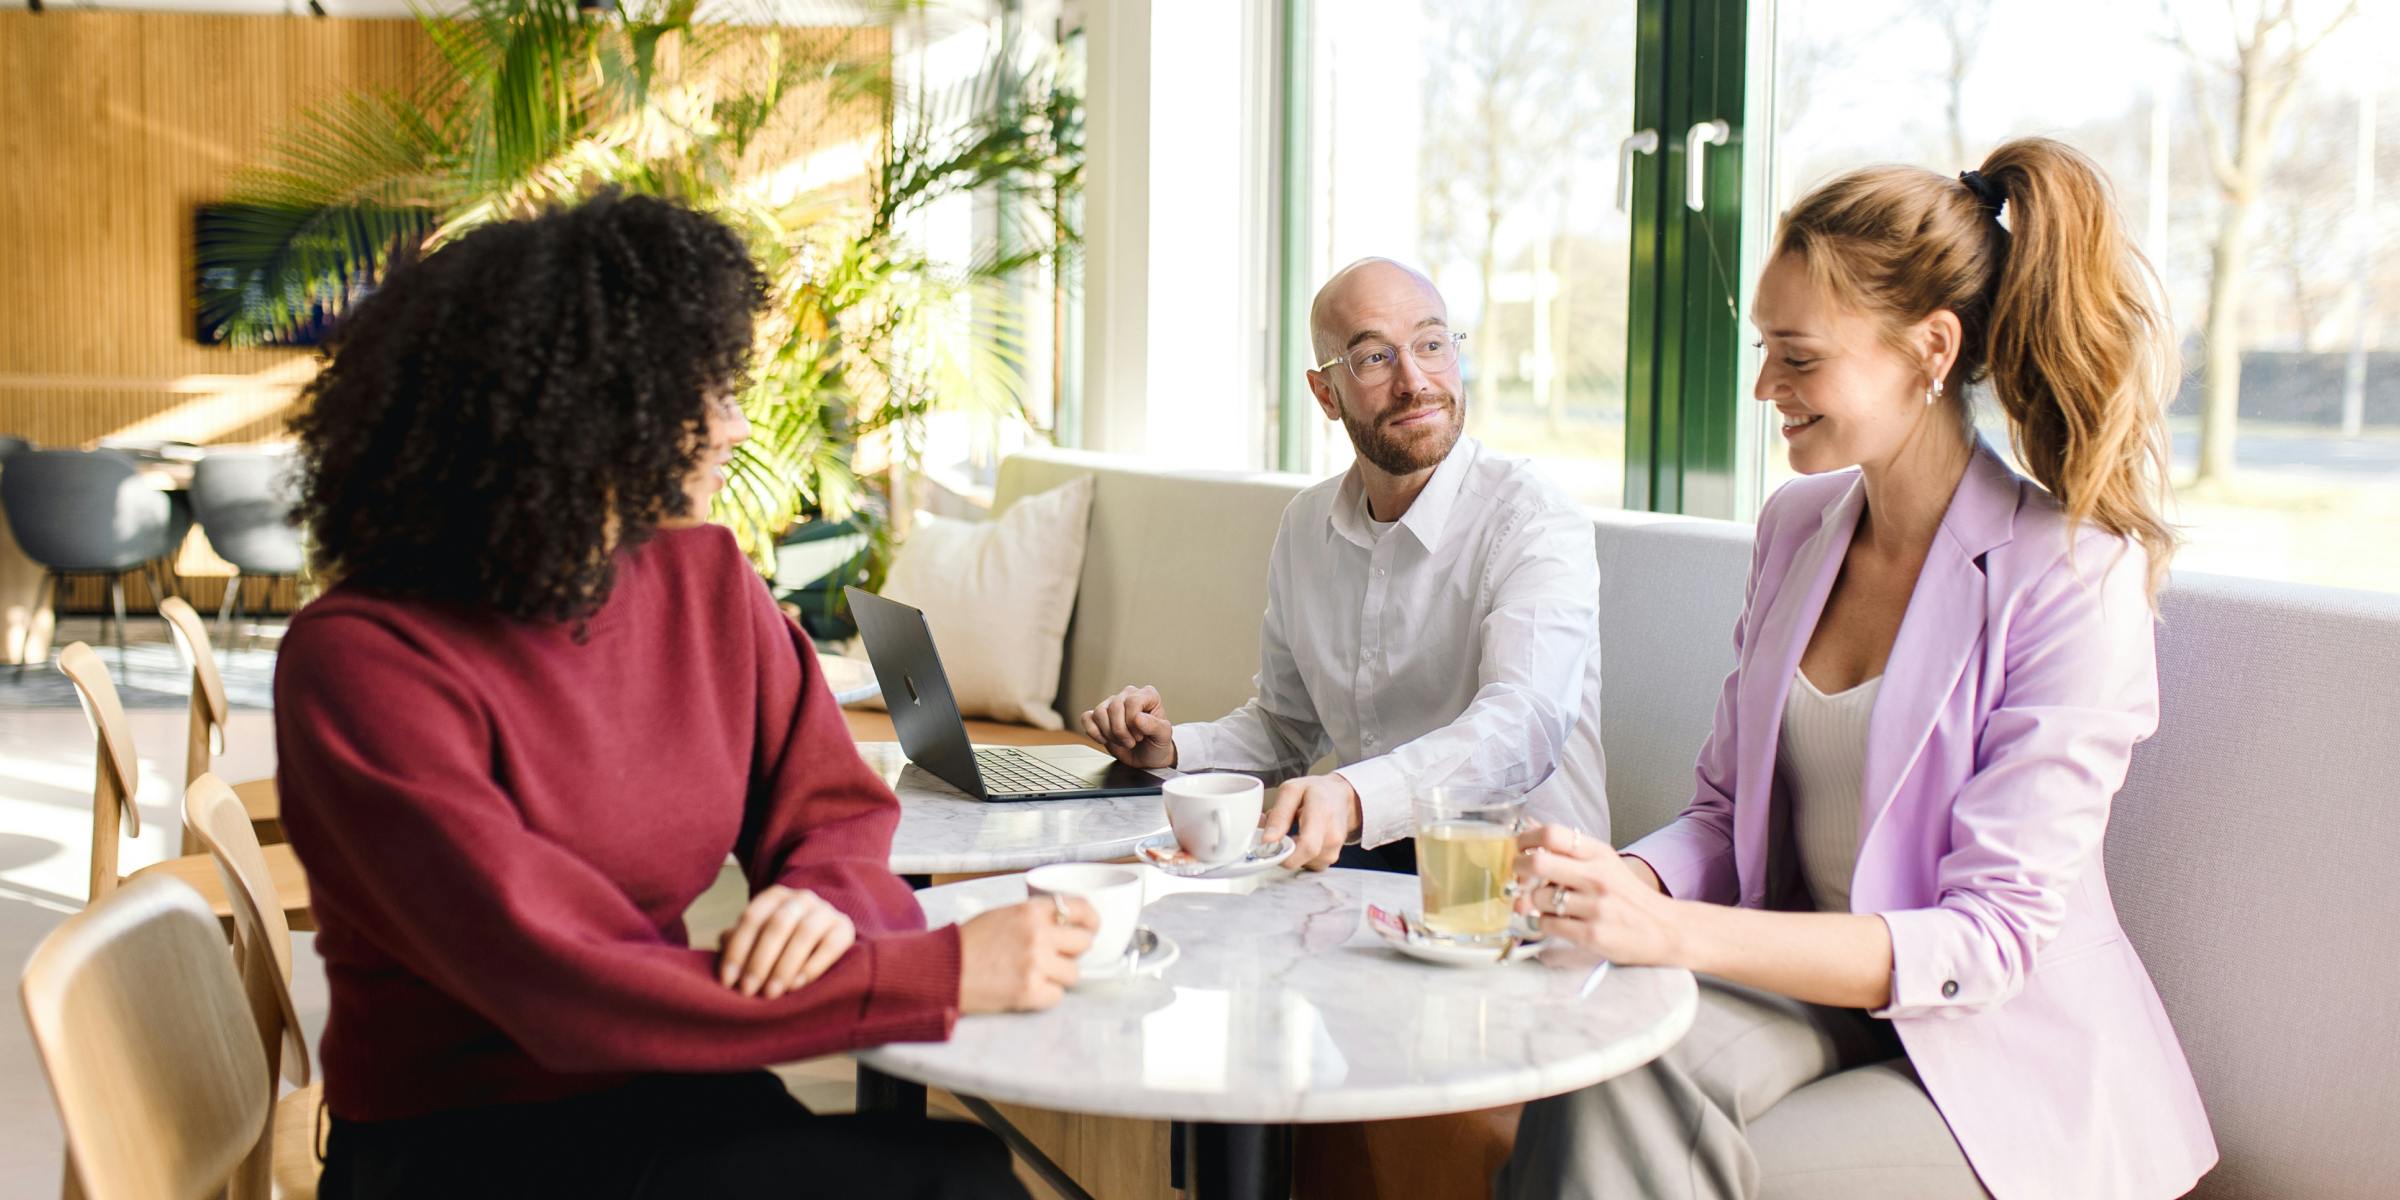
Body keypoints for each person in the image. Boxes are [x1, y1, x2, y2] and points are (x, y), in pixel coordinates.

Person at [274, 192, 1093, 1199]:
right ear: (580, 418)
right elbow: (558, 983)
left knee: (960, 1169)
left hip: (667, 1080)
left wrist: (819, 897)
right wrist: (940, 972)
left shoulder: (705, 578)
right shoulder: (364, 662)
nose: (735, 425)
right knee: (958, 1186)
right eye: (698, 393)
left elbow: (831, 806)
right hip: (467, 1142)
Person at [1500, 139, 2217, 1199]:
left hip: (1995, 1049)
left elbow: (1988, 941)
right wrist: (1630, 881)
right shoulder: (1796, 527)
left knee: (1692, 1167)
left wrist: (1673, 930)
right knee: (1595, 1063)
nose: (1763, 386)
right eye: (1764, 350)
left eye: (1797, 357)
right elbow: (1722, 810)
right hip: (1818, 992)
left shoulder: (2072, 573)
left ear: (1930, 349)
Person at [1081, 257, 1609, 871]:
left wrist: (1355, 795)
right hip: (1362, 868)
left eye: (1432, 344)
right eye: (1375, 358)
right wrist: (1172, 751)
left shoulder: (1534, 518)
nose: (1414, 381)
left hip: (1520, 884)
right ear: (1325, 393)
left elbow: (1525, 726)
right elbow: (1287, 729)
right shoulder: (1308, 526)